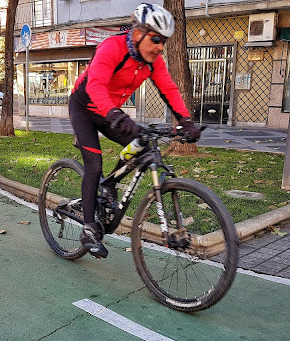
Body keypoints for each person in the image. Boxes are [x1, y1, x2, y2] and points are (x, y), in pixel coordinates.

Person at [69, 2, 201, 258]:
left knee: (143, 143)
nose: (160, 47)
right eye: (156, 39)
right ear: (138, 33)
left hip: (110, 111)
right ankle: (88, 229)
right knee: (94, 165)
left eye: (164, 41)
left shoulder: (152, 62)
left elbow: (169, 89)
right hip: (85, 108)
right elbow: (95, 85)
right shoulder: (111, 48)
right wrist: (115, 113)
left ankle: (109, 185)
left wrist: (185, 120)